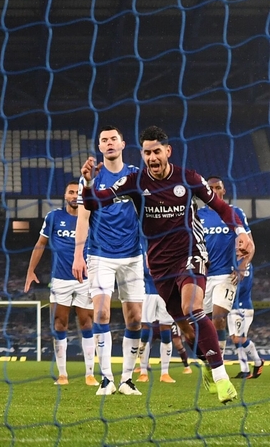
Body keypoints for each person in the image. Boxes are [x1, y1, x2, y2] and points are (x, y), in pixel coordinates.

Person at [80, 125, 255, 404]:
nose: (152, 158)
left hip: (190, 253)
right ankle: (208, 364)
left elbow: (222, 207)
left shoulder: (188, 178)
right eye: (147, 153)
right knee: (185, 329)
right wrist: (88, 182)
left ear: (167, 151)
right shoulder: (135, 182)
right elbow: (93, 203)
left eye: (157, 152)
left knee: (192, 308)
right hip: (159, 266)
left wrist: (241, 232)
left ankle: (221, 378)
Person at [72, 126, 145, 397]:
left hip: (132, 256)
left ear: (123, 143)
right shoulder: (91, 178)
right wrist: (78, 255)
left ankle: (127, 379)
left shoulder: (136, 176)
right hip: (100, 255)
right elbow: (83, 218)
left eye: (114, 138)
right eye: (104, 140)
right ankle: (106, 379)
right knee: (101, 313)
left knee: (135, 319)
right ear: (100, 147)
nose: (109, 143)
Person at [25, 181, 96, 386]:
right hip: (60, 280)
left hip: (85, 279)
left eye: (78, 192)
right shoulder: (54, 217)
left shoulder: (91, 217)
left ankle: (89, 373)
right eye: (71, 192)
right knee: (59, 324)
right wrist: (31, 270)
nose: (75, 195)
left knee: (87, 324)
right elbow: (40, 244)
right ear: (65, 196)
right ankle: (63, 374)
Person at [197, 176, 255, 353]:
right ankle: (210, 361)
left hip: (226, 275)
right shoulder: (197, 215)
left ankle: (218, 366)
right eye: (210, 188)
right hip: (205, 276)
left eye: (218, 187)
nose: (214, 191)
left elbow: (250, 244)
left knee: (218, 318)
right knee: (204, 322)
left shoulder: (234, 213)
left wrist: (243, 265)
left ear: (223, 191)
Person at [136, 264, 181, 384]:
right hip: (148, 294)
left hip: (166, 294)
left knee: (166, 332)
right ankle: (143, 372)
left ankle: (165, 373)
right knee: (145, 332)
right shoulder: (143, 247)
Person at [228, 259, 264, 379]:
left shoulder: (245, 263)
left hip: (242, 307)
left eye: (241, 243)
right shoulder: (232, 260)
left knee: (240, 338)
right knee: (235, 338)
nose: (237, 246)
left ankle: (258, 362)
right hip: (231, 306)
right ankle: (245, 370)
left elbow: (243, 285)